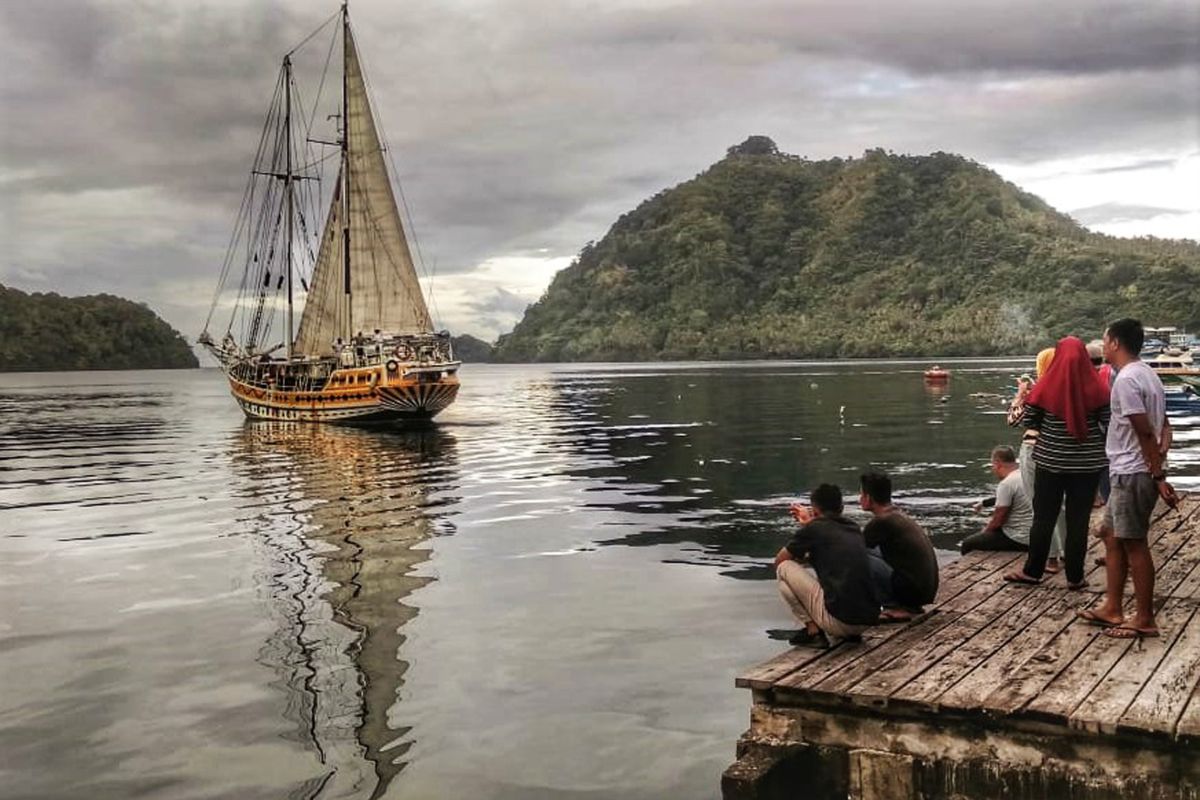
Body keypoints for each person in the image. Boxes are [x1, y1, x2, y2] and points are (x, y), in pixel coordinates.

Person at [1080, 319, 1179, 639]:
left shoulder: (1125, 381)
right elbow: (1164, 425)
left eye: (1106, 340)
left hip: (1132, 471)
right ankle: (1113, 607)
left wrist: (1157, 474)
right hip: (1131, 469)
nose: (1103, 345)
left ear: (1116, 344)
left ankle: (1145, 618)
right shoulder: (1148, 374)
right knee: (1109, 533)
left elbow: (1144, 430)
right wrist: (1161, 457)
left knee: (1135, 543)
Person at [1004, 336, 1110, 589]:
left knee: (1043, 518)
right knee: (1078, 520)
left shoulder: (1046, 387)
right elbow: (1108, 422)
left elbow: (1030, 421)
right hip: (1087, 465)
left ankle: (1033, 571)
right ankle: (1075, 576)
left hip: (1050, 462)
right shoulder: (1097, 388)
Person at [775, 484, 880, 648]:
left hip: (840, 622)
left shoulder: (814, 529)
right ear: (842, 508)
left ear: (815, 510)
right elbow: (826, 546)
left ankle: (813, 631)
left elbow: (780, 560)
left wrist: (807, 527)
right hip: (866, 621)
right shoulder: (853, 528)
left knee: (784, 569)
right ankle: (848, 634)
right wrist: (808, 526)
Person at [1007, 347, 1065, 573]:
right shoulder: (1070, 388)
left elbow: (1014, 420)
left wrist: (1020, 395)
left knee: (1039, 506)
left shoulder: (1039, 391)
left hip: (1035, 450)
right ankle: (1067, 553)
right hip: (1061, 450)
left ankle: (1050, 558)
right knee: (1061, 505)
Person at [859, 472, 939, 622]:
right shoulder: (896, 514)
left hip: (912, 591)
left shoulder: (881, 521)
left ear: (868, 498)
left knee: (859, 556)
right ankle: (905, 605)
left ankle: (894, 607)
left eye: (861, 494)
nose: (860, 499)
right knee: (870, 551)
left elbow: (852, 548)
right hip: (924, 591)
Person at [962, 445, 1033, 553]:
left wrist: (984, 533)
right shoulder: (1025, 476)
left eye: (993, 465)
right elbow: (1011, 498)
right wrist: (984, 503)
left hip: (1019, 539)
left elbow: (998, 521)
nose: (992, 469)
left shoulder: (1006, 484)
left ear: (998, 463)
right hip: (1035, 535)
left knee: (968, 544)